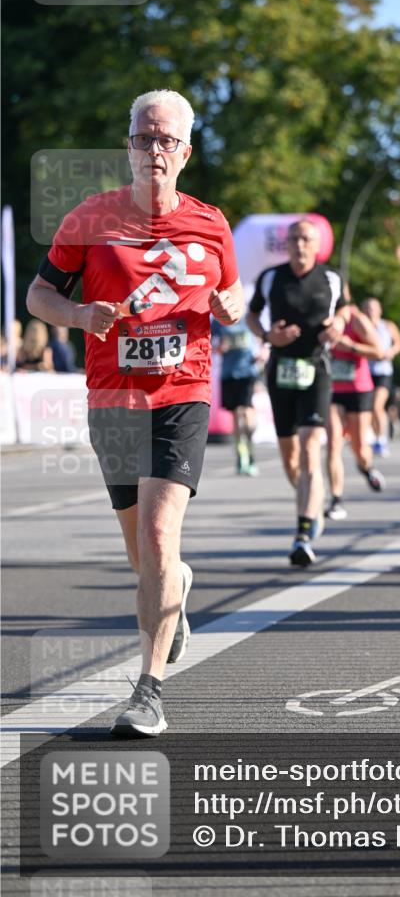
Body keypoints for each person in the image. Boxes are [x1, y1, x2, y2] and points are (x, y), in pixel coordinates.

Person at [26, 89, 243, 737]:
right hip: (113, 398)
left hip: (182, 393)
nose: (155, 150)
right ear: (128, 146)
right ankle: (175, 585)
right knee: (143, 553)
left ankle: (148, 689)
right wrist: (77, 314)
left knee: (155, 532)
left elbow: (231, 297)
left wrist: (234, 310)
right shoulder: (88, 220)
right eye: (145, 137)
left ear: (186, 152)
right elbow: (39, 294)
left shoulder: (210, 224)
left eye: (167, 140)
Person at [246, 218, 347, 567]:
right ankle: (310, 500)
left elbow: (345, 310)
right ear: (286, 245)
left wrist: (339, 326)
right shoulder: (271, 277)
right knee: (292, 459)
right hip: (281, 369)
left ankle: (303, 533)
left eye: (305, 238)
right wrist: (267, 336)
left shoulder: (331, 278)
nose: (299, 244)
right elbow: (252, 315)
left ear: (316, 244)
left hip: (316, 368)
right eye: (293, 239)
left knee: (309, 450)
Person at [326, 293, 386, 521]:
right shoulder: (321, 317)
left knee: (359, 446)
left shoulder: (356, 319)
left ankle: (367, 467)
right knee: (333, 443)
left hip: (358, 389)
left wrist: (349, 346)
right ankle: (336, 499)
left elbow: (379, 353)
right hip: (331, 390)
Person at [212, 315, 264, 475]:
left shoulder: (249, 319)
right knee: (236, 414)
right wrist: (220, 347)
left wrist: (262, 353)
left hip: (247, 372)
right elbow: (209, 344)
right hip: (229, 374)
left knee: (246, 415)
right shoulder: (218, 321)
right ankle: (241, 455)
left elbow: (262, 339)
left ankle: (250, 446)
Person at [362, 298, 400, 457]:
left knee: (377, 405)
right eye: (367, 308)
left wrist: (391, 352)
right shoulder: (361, 326)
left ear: (379, 310)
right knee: (369, 408)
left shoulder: (387, 326)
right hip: (366, 371)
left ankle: (381, 439)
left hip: (383, 372)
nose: (370, 312)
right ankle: (375, 436)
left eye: (373, 309)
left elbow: (399, 343)